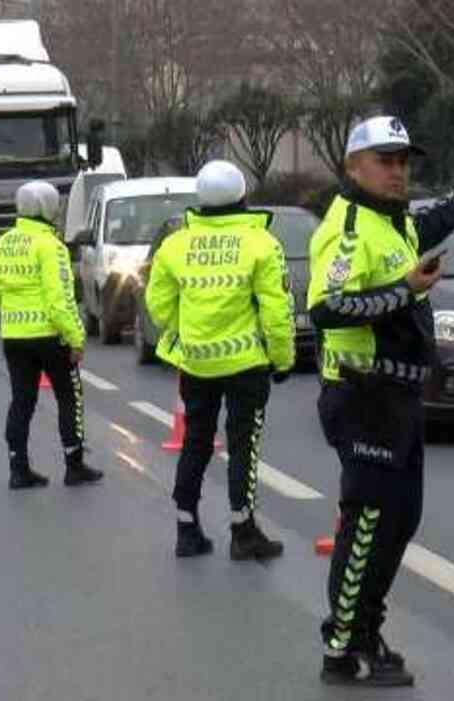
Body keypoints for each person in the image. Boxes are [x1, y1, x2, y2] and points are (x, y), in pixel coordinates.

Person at [309, 116, 454, 687]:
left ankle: (366, 631)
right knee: (368, 524)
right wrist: (406, 291)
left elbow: (424, 228)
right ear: (353, 166)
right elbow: (325, 308)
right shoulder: (348, 227)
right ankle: (342, 652)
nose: (397, 172)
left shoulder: (388, 221)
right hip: (360, 392)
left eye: (403, 162)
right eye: (384, 161)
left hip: (397, 394)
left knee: (400, 521)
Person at [145, 160, 296, 560]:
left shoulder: (175, 245)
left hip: (196, 362)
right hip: (246, 364)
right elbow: (277, 313)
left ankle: (186, 527)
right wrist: (281, 360)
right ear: (243, 197)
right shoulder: (261, 244)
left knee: (195, 441)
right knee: (242, 445)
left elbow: (158, 306)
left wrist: (190, 332)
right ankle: (243, 531)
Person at [0, 181, 103, 490]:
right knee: (69, 396)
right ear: (48, 208)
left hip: (14, 336)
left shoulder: (3, 243)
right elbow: (59, 299)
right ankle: (74, 464)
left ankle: (18, 468)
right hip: (50, 336)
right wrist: (75, 338)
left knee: (22, 401)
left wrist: (11, 310)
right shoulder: (51, 246)